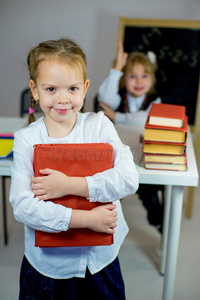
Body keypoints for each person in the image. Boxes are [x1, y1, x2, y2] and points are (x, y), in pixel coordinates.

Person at [9, 38, 139, 300]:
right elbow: (23, 206)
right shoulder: (27, 139)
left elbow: (129, 178)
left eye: (72, 88)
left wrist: (71, 185)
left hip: (99, 261)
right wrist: (87, 220)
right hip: (48, 266)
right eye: (51, 89)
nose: (63, 99)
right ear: (34, 90)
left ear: (85, 87)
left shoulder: (99, 126)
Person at [97, 41, 164, 233]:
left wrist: (117, 116)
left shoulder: (154, 100)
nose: (138, 81)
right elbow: (104, 97)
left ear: (152, 79)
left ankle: (159, 222)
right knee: (114, 189)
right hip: (118, 157)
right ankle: (104, 221)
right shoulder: (118, 97)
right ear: (124, 79)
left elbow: (145, 119)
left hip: (142, 157)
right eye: (132, 76)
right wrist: (116, 69)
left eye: (144, 76)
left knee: (148, 190)